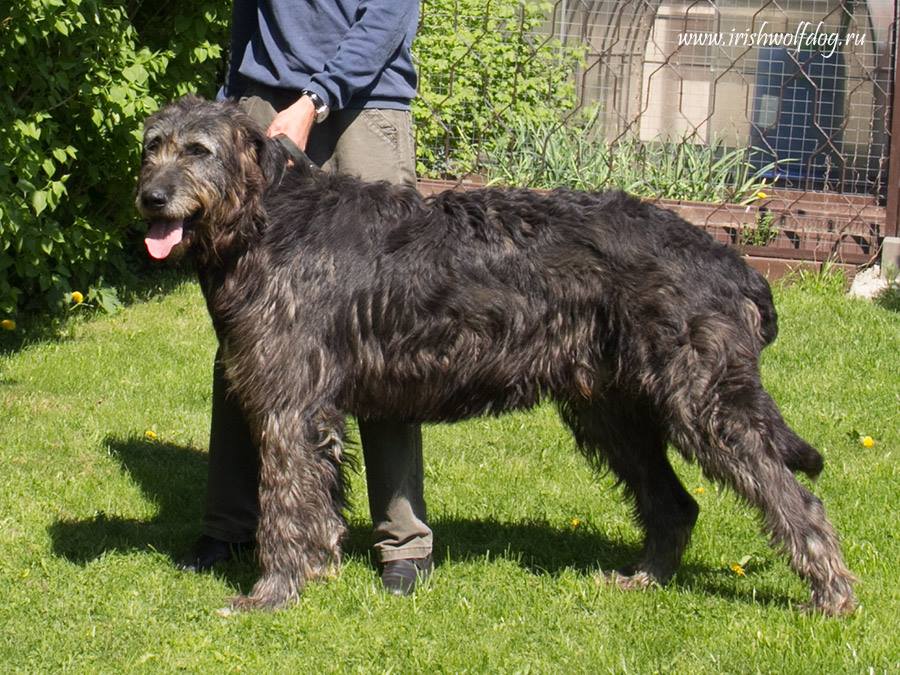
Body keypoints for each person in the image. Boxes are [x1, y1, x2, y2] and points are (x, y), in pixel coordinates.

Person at [178, 0, 433, 596]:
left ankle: (402, 537)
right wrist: (231, 100)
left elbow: (391, 12)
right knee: (250, 332)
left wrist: (316, 99)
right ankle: (233, 522)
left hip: (362, 106)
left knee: (379, 329)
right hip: (261, 109)